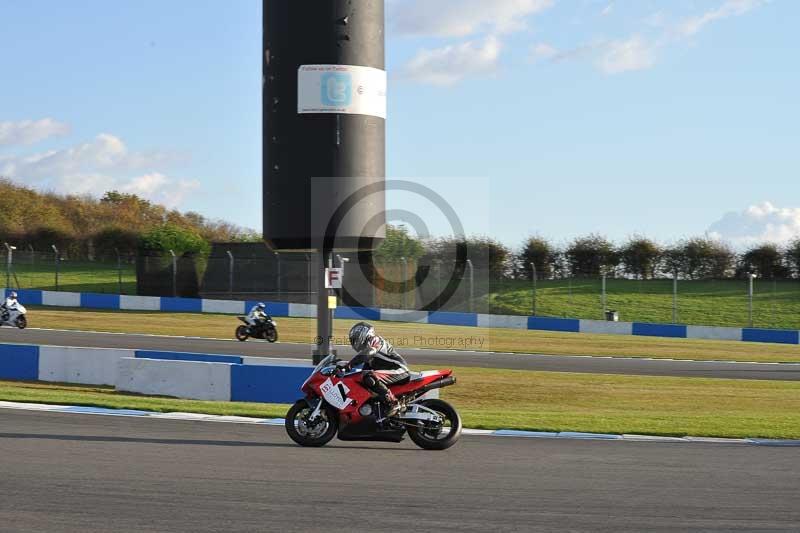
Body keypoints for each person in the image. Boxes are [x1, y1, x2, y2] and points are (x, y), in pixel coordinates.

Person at [347, 321, 410, 417]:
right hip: (391, 372)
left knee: (369, 376)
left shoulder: (375, 340)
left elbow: (369, 352)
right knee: (363, 379)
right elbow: (362, 373)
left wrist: (349, 365)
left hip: (400, 370)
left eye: (354, 339)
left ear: (363, 334)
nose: (353, 342)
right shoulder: (368, 357)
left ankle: (393, 403)